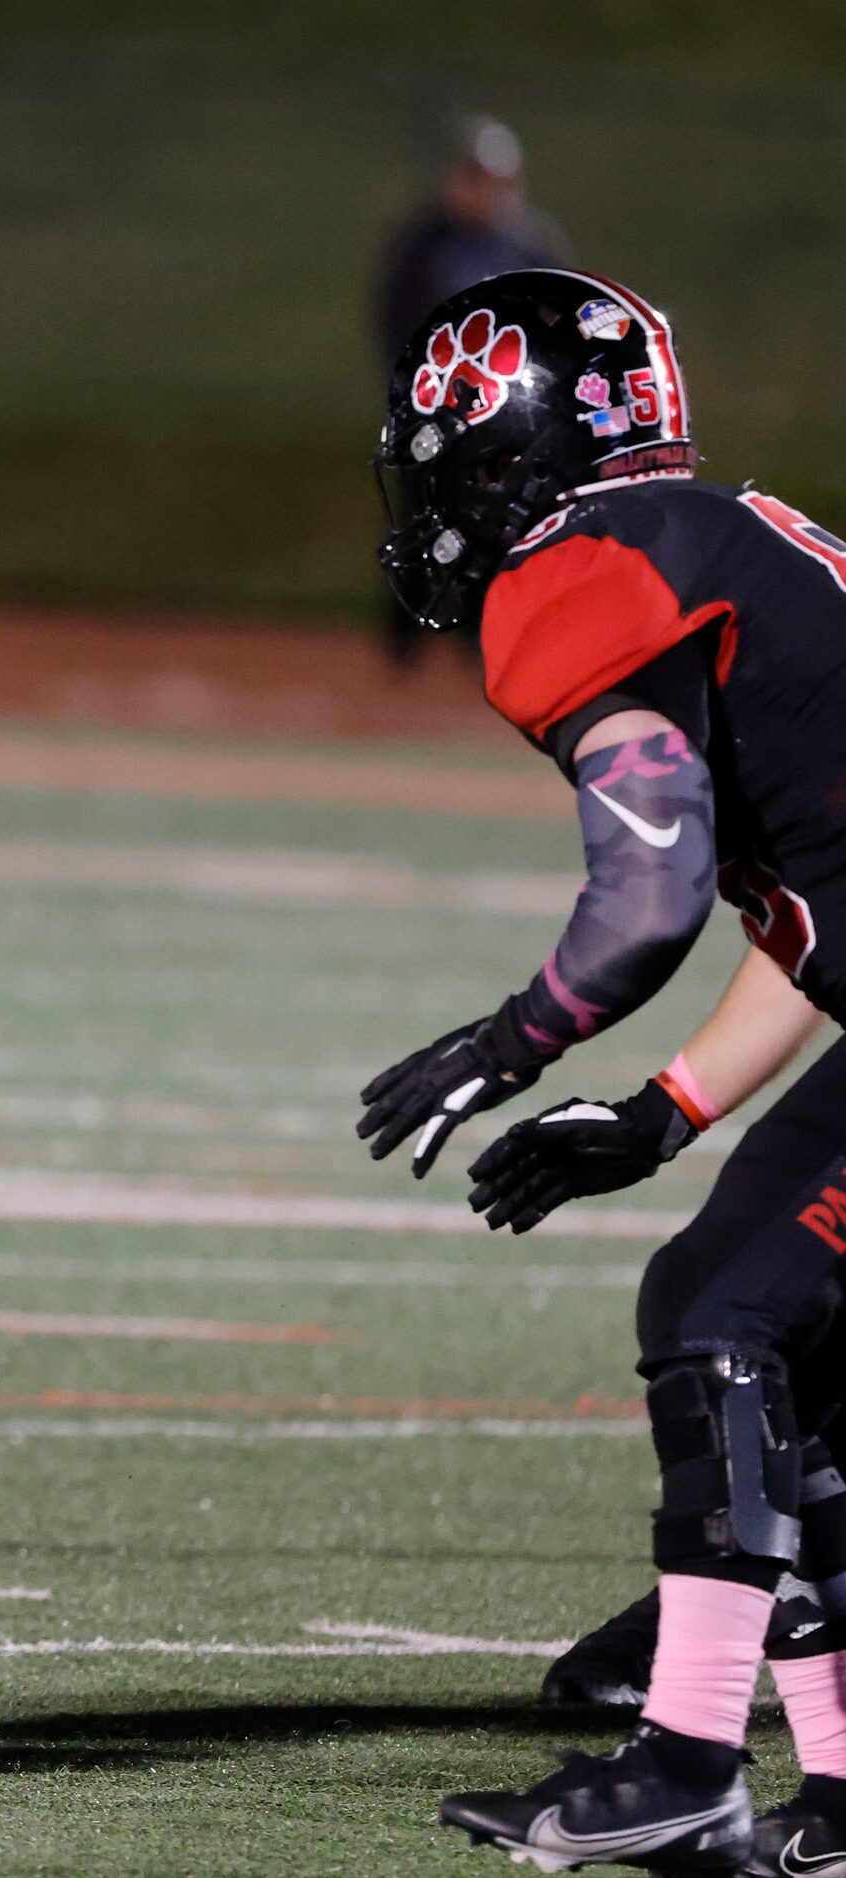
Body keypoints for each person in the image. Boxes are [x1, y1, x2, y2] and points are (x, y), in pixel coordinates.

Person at [354, 267, 846, 1870]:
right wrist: (664, 1109)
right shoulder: (720, 540)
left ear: (509, 452)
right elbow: (816, 916)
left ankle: (687, 1755)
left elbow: (646, 900)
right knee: (783, 1336)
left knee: (721, 1312)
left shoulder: (584, 573)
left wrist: (507, 1043)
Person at [370, 118, 563, 668]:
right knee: (417, 515)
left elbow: (552, 322)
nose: (482, 191)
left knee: (493, 520)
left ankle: (474, 635)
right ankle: (403, 639)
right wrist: (411, 384)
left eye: (493, 181)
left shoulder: (528, 243)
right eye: (473, 178)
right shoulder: (424, 243)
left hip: (504, 414)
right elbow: (394, 318)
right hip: (432, 405)